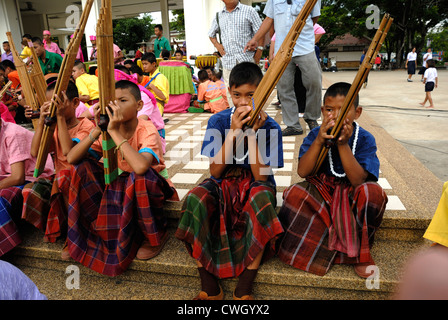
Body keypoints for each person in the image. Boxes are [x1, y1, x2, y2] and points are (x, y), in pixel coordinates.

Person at [175, 62, 284, 300]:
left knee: (263, 199)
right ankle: (209, 286)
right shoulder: (219, 121)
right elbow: (215, 171)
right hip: (223, 181)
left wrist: (252, 133)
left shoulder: (271, 127)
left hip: (256, 183)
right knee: (195, 197)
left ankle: (244, 287)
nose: (243, 102)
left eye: (251, 96)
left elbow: (261, 176)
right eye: (237, 95)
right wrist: (234, 131)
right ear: (229, 93)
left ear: (263, 95)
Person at [64, 80, 177, 276]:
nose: (115, 107)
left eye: (123, 100)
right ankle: (83, 232)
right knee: (80, 169)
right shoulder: (107, 129)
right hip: (119, 184)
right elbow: (72, 157)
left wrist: (114, 132)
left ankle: (155, 235)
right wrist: (98, 130)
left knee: (138, 177)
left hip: (149, 186)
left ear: (139, 106)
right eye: (112, 102)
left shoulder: (146, 128)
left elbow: (142, 166)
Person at [276, 82, 388, 279]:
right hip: (322, 194)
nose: (335, 116)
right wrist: (319, 141)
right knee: (294, 193)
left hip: (352, 194)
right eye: (329, 109)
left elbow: (358, 181)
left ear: (358, 112)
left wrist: (343, 145)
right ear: (322, 111)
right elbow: (303, 171)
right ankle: (327, 244)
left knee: (373, 192)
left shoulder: (364, 138)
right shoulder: (315, 134)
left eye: (343, 110)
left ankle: (362, 252)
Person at [22, 81, 102, 259]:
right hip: (61, 181)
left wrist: (58, 118)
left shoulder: (85, 126)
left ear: (74, 103)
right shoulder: (55, 128)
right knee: (30, 190)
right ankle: (60, 226)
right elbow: (36, 153)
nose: (54, 109)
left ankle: (74, 235)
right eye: (51, 105)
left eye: (58, 104)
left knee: (65, 177)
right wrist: (42, 121)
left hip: (85, 181)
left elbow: (68, 154)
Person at [245, 0, 322, 136]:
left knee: (314, 82)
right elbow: (269, 19)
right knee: (284, 87)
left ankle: (311, 118)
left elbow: (314, 18)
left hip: (305, 46)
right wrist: (255, 39)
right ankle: (293, 125)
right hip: (282, 48)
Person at [0, 115, 54, 257]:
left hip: (31, 178)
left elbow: (18, 177)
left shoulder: (12, 133)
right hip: (7, 177)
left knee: (1, 200)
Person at [209, 0, 263, 107]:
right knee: (231, 91)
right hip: (228, 61)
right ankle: (235, 116)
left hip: (247, 59)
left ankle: (253, 116)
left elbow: (261, 32)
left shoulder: (249, 11)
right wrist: (218, 46)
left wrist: (259, 51)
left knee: (252, 89)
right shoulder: (218, 16)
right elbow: (211, 34)